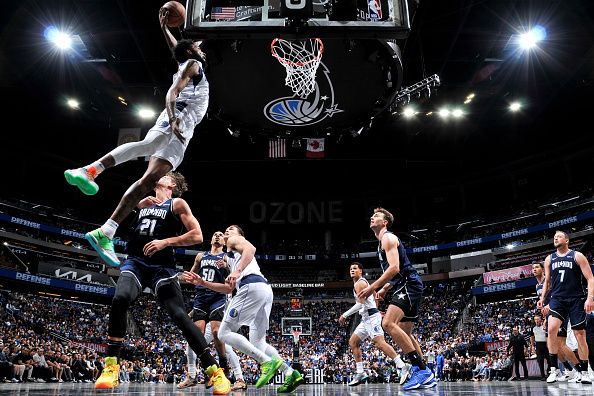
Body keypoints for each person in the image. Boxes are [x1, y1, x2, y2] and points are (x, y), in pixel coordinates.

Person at [64, 12, 209, 268]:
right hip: (179, 117)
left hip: (185, 130)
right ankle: (91, 169)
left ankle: (106, 232)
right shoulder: (192, 65)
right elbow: (172, 92)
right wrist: (174, 116)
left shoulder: (184, 62)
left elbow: (176, 47)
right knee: (149, 145)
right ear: (193, 52)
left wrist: (164, 26)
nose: (201, 48)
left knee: (149, 180)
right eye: (198, 47)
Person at [93, 172, 230, 394]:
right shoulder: (142, 202)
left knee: (179, 316)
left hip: (162, 268)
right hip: (135, 262)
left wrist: (166, 241)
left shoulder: (176, 203)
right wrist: (137, 203)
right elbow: (117, 211)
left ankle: (215, 371)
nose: (158, 174)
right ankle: (111, 367)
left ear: (171, 184)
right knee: (120, 298)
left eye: (164, 174)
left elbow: (197, 235)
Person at [182, 225, 304, 393]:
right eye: (226, 230)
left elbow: (251, 248)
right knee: (258, 342)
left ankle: (265, 362)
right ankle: (290, 372)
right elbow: (226, 289)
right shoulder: (229, 257)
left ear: (239, 235)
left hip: (251, 286)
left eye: (231, 229)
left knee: (223, 333)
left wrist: (237, 271)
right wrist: (203, 282)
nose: (227, 231)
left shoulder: (235, 240)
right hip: (264, 290)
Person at [358, 207, 436, 390]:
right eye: (372, 215)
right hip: (408, 284)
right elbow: (395, 273)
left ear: (385, 222)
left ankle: (421, 370)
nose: (372, 217)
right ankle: (427, 374)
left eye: (376, 216)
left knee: (387, 323)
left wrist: (372, 287)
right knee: (405, 332)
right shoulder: (382, 242)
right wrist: (385, 288)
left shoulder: (388, 238)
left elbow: (394, 268)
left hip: (408, 284)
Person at [178, 231, 246, 391]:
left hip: (218, 300)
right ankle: (200, 374)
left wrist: (228, 267)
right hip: (201, 299)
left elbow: (233, 281)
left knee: (219, 336)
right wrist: (180, 277)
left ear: (224, 241)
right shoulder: (201, 256)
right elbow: (191, 274)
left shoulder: (226, 257)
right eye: (214, 234)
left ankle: (226, 371)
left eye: (220, 235)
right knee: (195, 338)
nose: (216, 235)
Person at [338, 262, 409, 386]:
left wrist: (345, 315)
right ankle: (360, 373)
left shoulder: (360, 283)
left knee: (379, 343)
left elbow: (360, 304)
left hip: (370, 318)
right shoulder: (359, 283)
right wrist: (375, 309)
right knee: (353, 342)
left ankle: (402, 365)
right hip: (367, 318)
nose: (352, 270)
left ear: (361, 271)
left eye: (355, 268)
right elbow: (371, 300)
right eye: (350, 269)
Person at [537, 230, 594, 385]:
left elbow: (590, 278)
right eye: (554, 236)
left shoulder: (577, 256)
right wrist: (542, 298)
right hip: (557, 299)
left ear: (567, 240)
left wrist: (590, 298)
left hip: (576, 299)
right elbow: (547, 281)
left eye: (559, 236)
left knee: (579, 334)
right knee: (551, 330)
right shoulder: (549, 259)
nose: (555, 238)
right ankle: (554, 369)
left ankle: (584, 372)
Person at [533, 260, 580, 382]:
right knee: (551, 346)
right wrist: (544, 318)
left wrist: (551, 306)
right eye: (533, 268)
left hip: (559, 312)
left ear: (543, 270)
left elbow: (559, 294)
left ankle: (579, 370)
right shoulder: (537, 286)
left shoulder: (549, 281)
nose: (534, 269)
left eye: (537, 267)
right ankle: (569, 370)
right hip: (549, 316)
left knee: (561, 344)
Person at [530, 314, 551, 380]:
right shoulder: (533, 328)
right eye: (535, 319)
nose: (536, 321)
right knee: (540, 360)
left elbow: (548, 335)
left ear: (541, 320)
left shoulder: (545, 326)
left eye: (537, 319)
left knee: (549, 359)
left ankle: (549, 371)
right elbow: (532, 337)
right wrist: (532, 346)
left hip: (546, 344)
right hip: (538, 345)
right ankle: (542, 375)